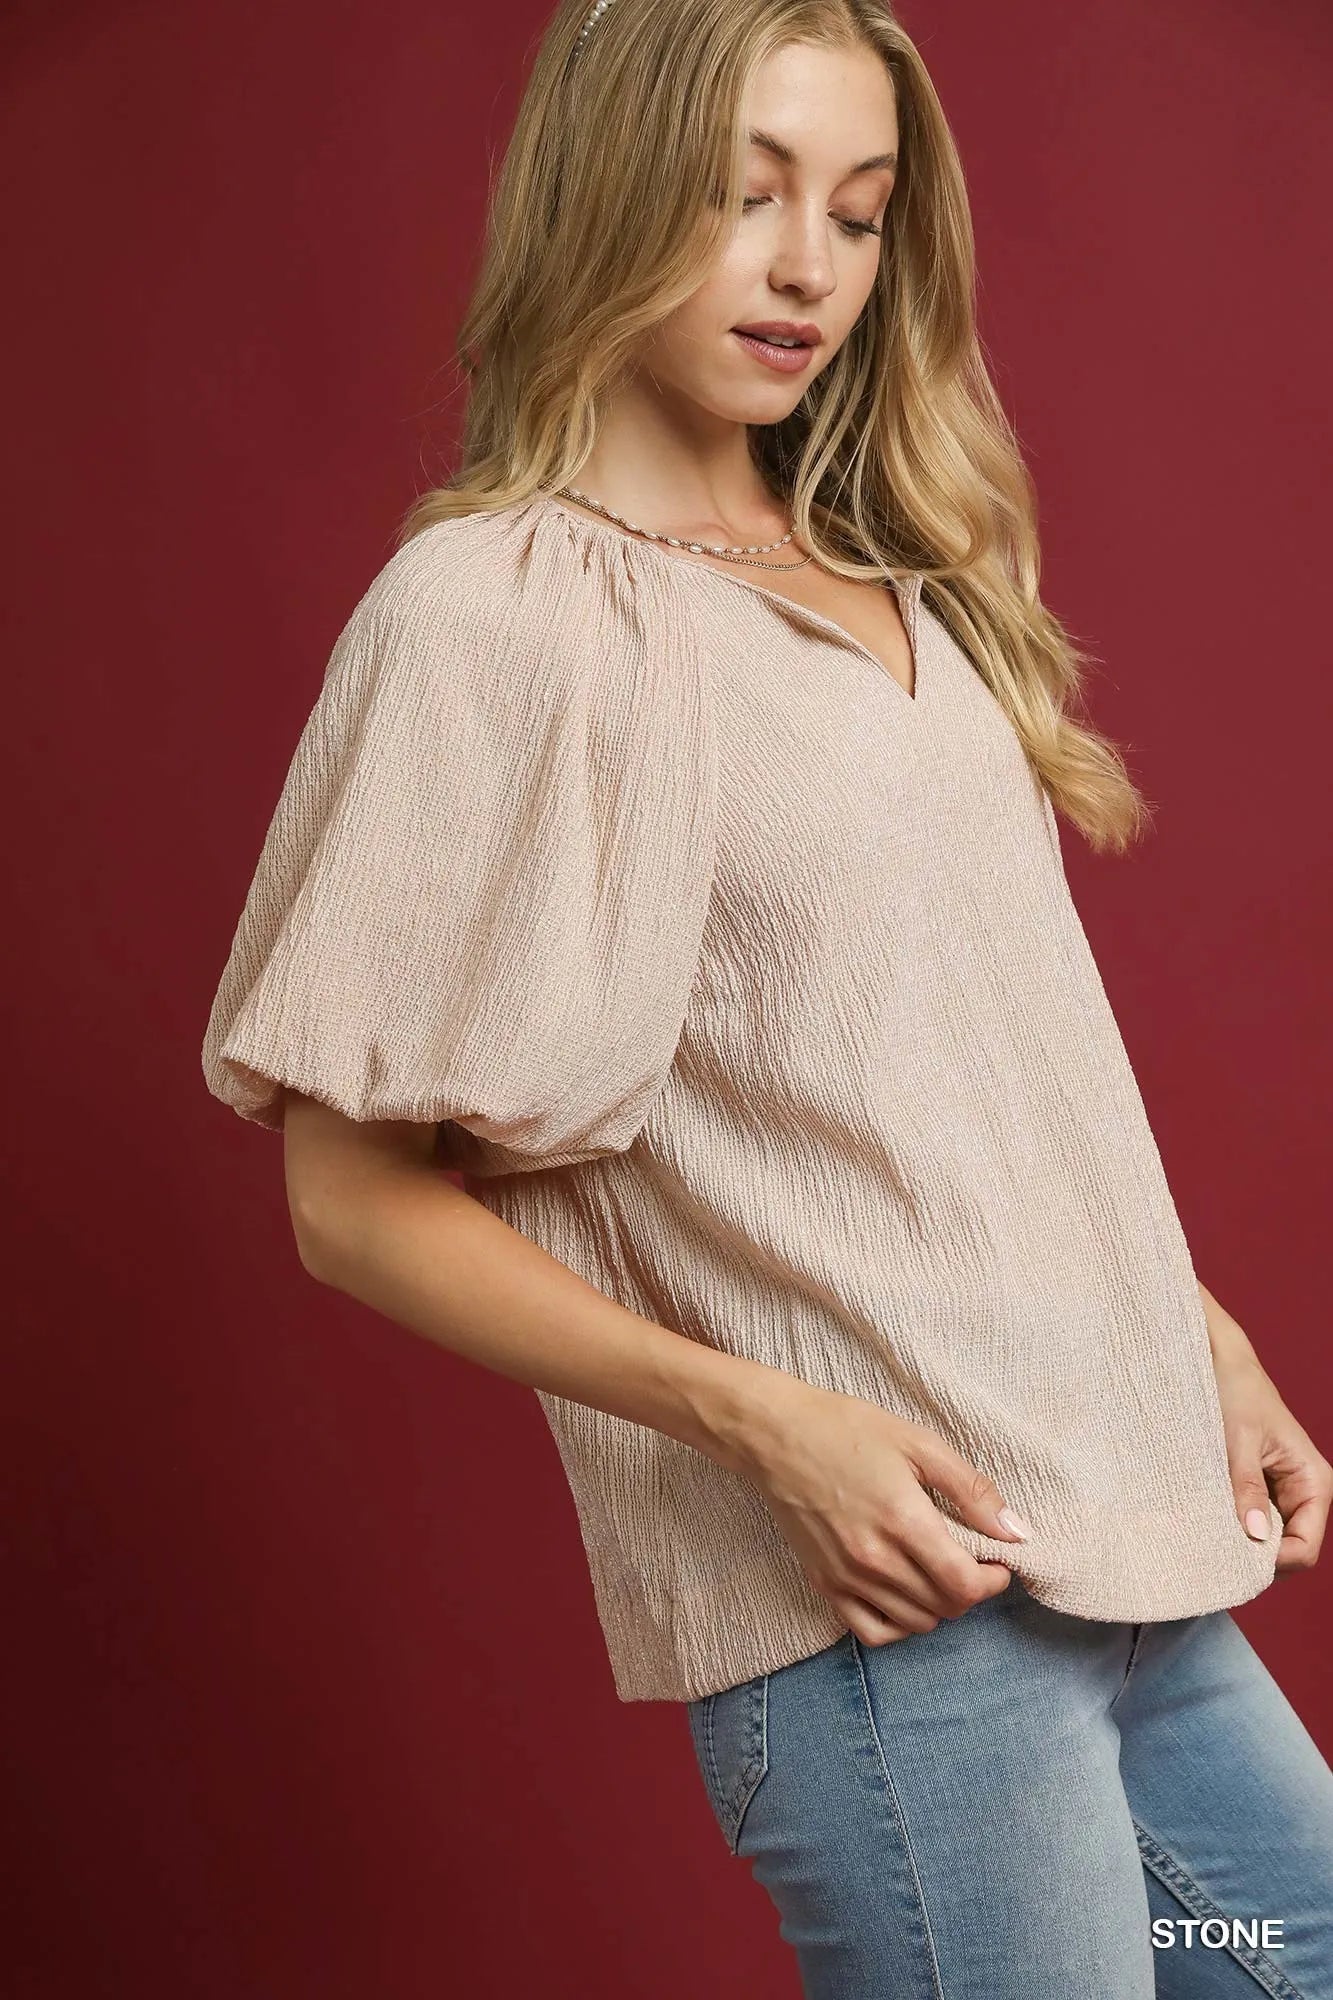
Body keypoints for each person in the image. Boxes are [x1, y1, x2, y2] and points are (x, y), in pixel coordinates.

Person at [200, 2, 1333, 1992]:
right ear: (608, 192)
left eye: (860, 212)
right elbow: (348, 1201)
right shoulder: (496, 616)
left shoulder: (903, 574)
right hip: (895, 1622)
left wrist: (1193, 1341)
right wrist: (767, 1427)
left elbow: (970, 1065)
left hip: (1123, 1534)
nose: (809, 264)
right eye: (747, 194)